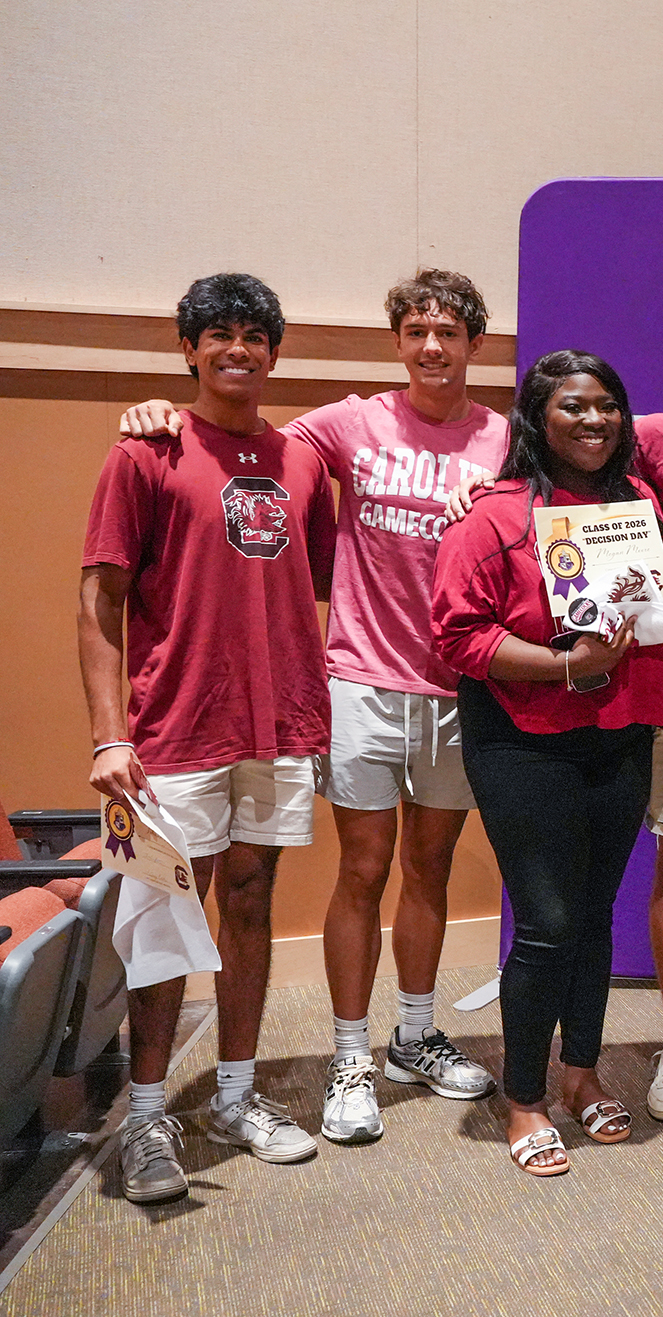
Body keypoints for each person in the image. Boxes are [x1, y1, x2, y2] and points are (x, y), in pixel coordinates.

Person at [120, 269, 505, 1143]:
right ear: (397, 341)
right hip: (361, 678)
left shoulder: (503, 438)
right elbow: (234, 434)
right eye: (416, 331)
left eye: (449, 332)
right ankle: (350, 1055)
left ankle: (414, 1035)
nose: (432, 346)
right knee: (362, 868)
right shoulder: (346, 422)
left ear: (475, 344)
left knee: (430, 868)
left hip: (458, 685)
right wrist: (156, 410)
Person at [83, 273, 336, 1202]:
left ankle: (233, 1096)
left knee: (252, 902)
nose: (238, 348)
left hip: (278, 727)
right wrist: (109, 736)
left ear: (274, 351)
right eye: (218, 333)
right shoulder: (144, 451)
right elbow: (99, 601)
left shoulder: (301, 461)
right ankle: (147, 1117)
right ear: (188, 348)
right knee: (159, 918)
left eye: (254, 335)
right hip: (170, 733)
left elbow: (323, 581)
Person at [430, 351, 663, 1176]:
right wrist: (566, 665)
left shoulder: (636, 502)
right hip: (522, 738)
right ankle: (525, 1096)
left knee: (596, 913)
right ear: (537, 418)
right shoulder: (492, 515)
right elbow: (458, 636)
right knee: (547, 923)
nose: (594, 420)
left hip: (620, 730)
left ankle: (581, 1072)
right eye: (573, 406)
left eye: (607, 405)